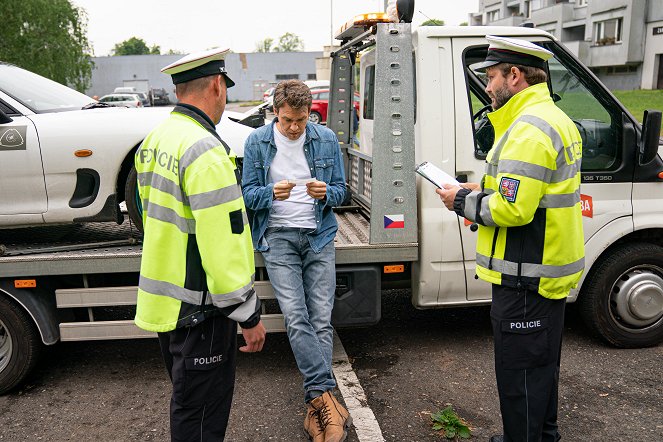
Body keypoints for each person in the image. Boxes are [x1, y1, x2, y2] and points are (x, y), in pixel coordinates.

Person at [436, 36, 584, 442]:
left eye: (491, 76)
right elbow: (523, 194)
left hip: (525, 277)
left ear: (514, 76)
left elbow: (513, 209)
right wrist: (477, 193)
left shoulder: (528, 130)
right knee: (540, 372)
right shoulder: (551, 119)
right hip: (542, 273)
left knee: (520, 379)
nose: (487, 86)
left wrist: (462, 201)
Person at [133, 47, 266, 441]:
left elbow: (148, 215)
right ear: (217, 86)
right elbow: (222, 243)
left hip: (167, 304)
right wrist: (249, 314)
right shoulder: (206, 151)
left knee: (188, 405)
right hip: (201, 310)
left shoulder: (156, 139)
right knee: (201, 421)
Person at [241, 79, 350, 442]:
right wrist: (270, 192)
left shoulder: (326, 139)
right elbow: (248, 196)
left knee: (321, 319)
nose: (294, 128)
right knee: (295, 316)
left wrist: (326, 192)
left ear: (309, 114)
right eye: (288, 120)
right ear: (275, 112)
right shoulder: (257, 142)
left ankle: (317, 406)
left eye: (301, 120)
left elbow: (341, 189)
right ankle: (327, 400)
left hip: (318, 233)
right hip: (278, 235)